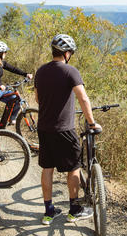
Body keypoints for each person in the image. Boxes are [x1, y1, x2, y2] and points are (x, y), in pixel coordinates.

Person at [33, 33, 102, 225]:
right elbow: (83, 98)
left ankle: (49, 212)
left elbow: (37, 99)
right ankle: (74, 210)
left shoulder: (41, 71)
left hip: (44, 128)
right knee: (73, 168)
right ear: (67, 53)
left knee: (47, 168)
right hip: (64, 129)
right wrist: (91, 123)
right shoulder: (71, 71)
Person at [0, 41, 33, 146]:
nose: (6, 53)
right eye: (5, 52)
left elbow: (12, 68)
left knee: (16, 98)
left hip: (1, 90)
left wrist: (25, 74)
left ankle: (10, 119)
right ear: (0, 53)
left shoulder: (0, 62)